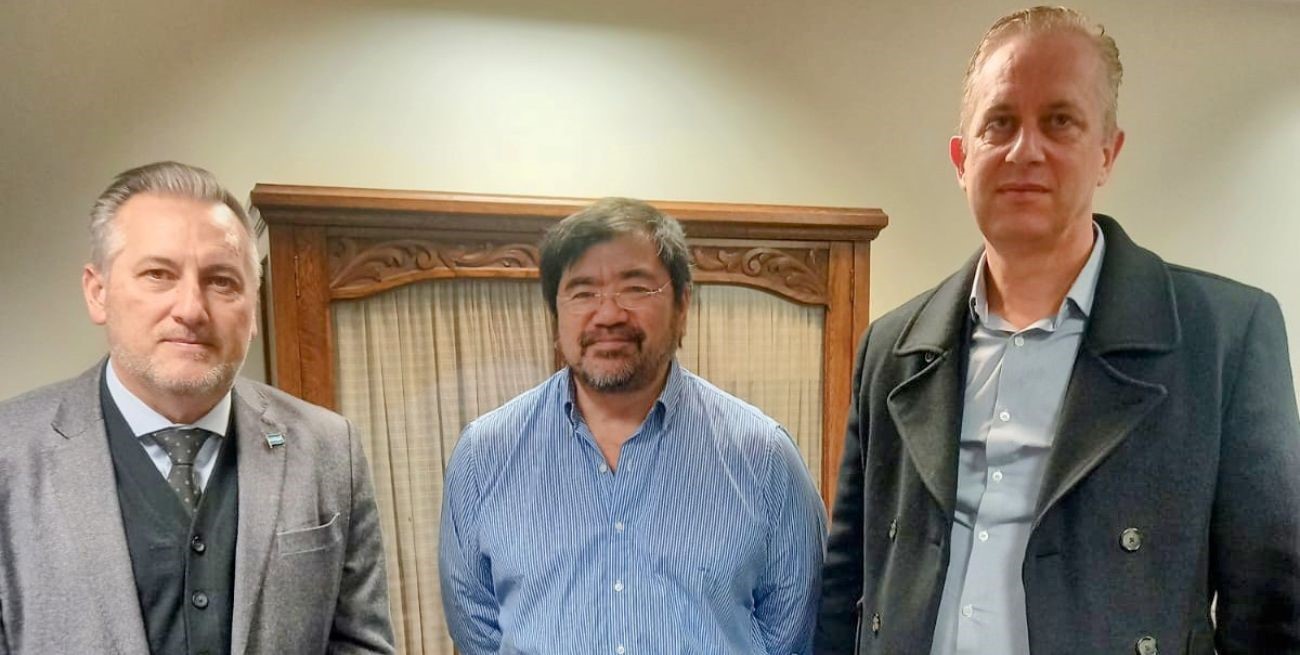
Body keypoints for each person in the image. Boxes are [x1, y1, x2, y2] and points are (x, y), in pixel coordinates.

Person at [817, 7, 1300, 655]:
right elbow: (847, 585)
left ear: (1107, 152)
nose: (1025, 150)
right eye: (1000, 122)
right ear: (962, 159)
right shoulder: (892, 348)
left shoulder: (1224, 339)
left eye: (1060, 121)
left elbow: (1272, 611)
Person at [0, 161, 395, 654]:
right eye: (158, 274)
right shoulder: (10, 455)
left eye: (222, 281)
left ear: (254, 306)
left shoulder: (329, 449)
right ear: (98, 293)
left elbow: (360, 643)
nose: (191, 309)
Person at [438, 197, 827, 654]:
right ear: (555, 314)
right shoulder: (484, 455)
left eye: (636, 288)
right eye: (583, 292)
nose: (608, 315)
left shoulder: (764, 456)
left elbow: (795, 630)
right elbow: (476, 625)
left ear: (682, 305)